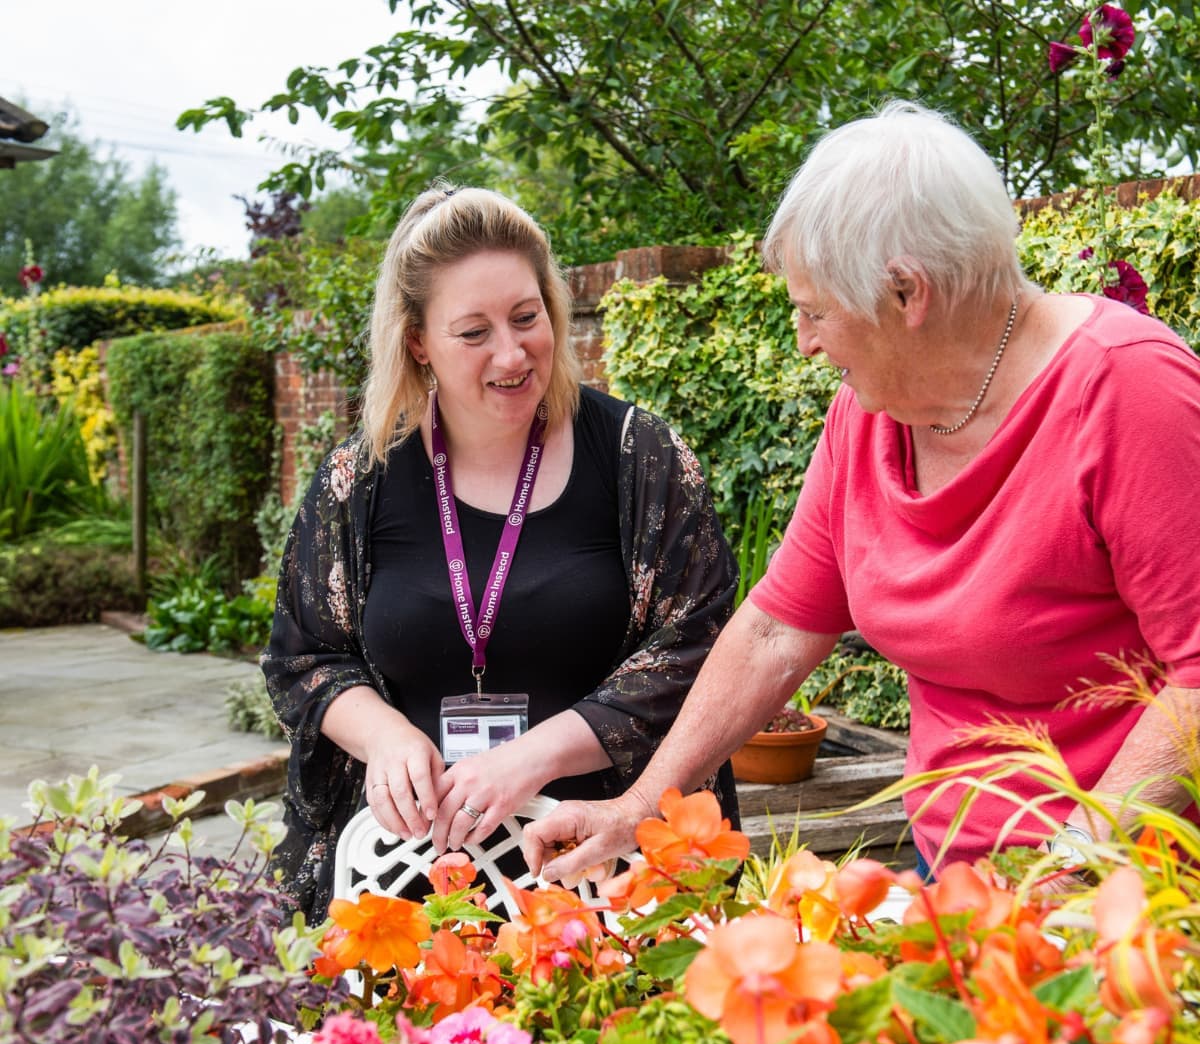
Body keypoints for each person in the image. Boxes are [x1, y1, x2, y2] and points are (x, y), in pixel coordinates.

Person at [523, 100, 1200, 884]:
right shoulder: (869, 414)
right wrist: (642, 803)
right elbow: (779, 626)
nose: (805, 343)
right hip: (953, 871)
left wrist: (1062, 882)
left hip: (1134, 892)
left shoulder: (1128, 390)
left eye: (814, 312)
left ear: (908, 294)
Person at [262, 184, 738, 919]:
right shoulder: (357, 483)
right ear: (417, 340)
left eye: (526, 317)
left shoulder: (640, 458)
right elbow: (303, 658)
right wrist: (384, 737)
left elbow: (699, 649)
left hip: (602, 871)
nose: (512, 355)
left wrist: (531, 758)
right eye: (473, 332)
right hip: (409, 883)